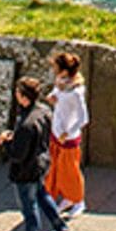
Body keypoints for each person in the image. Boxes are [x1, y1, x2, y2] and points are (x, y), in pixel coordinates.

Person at [0, 77, 69, 231]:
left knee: (29, 208)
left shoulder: (25, 125)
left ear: (23, 97)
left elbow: (17, 155)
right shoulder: (44, 111)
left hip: (25, 171)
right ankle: (61, 228)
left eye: (17, 92)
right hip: (41, 163)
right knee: (42, 195)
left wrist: (5, 143)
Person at [45, 51, 89, 217]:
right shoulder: (61, 82)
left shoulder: (76, 92)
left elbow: (83, 118)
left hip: (67, 136)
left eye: (56, 67)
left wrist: (68, 132)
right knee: (56, 167)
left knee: (70, 170)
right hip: (56, 131)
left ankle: (78, 200)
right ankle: (66, 196)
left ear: (64, 70)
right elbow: (56, 93)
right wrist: (52, 96)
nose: (54, 69)